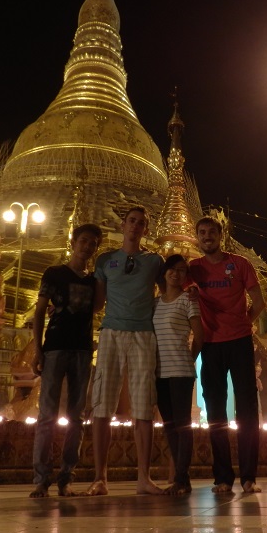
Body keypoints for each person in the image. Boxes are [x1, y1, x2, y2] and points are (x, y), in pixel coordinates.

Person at [81, 207, 165, 496]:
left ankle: (144, 478)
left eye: (141, 223)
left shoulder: (154, 261)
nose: (135, 226)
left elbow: (167, 292)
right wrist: (65, 306)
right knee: (102, 403)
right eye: (131, 221)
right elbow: (97, 304)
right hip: (111, 333)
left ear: (145, 230)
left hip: (143, 333)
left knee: (144, 405)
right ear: (122, 225)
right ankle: (100, 478)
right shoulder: (105, 260)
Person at [189, 216, 266, 494]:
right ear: (197, 237)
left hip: (240, 342)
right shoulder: (193, 268)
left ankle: (249, 476)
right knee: (215, 410)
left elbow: (259, 302)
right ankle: (222, 476)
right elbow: (173, 290)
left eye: (212, 232)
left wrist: (243, 323)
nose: (207, 236)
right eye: (202, 232)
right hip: (210, 344)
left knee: (247, 409)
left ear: (220, 235)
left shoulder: (240, 264)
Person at [29, 223, 103, 498]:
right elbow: (39, 312)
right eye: (84, 241)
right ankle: (41, 479)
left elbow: (98, 307)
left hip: (82, 350)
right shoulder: (54, 273)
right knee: (47, 415)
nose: (88, 246)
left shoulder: (93, 281)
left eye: (93, 243)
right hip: (55, 348)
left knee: (77, 416)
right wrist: (38, 350)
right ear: (73, 242)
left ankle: (66, 477)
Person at [153, 254, 203, 496]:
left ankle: (182, 478)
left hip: (181, 370)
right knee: (170, 425)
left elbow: (199, 336)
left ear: (186, 276)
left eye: (182, 270)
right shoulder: (155, 303)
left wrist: (189, 358)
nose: (176, 273)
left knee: (183, 425)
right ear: (164, 273)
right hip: (159, 372)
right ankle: (180, 478)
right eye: (172, 269)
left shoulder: (188, 300)